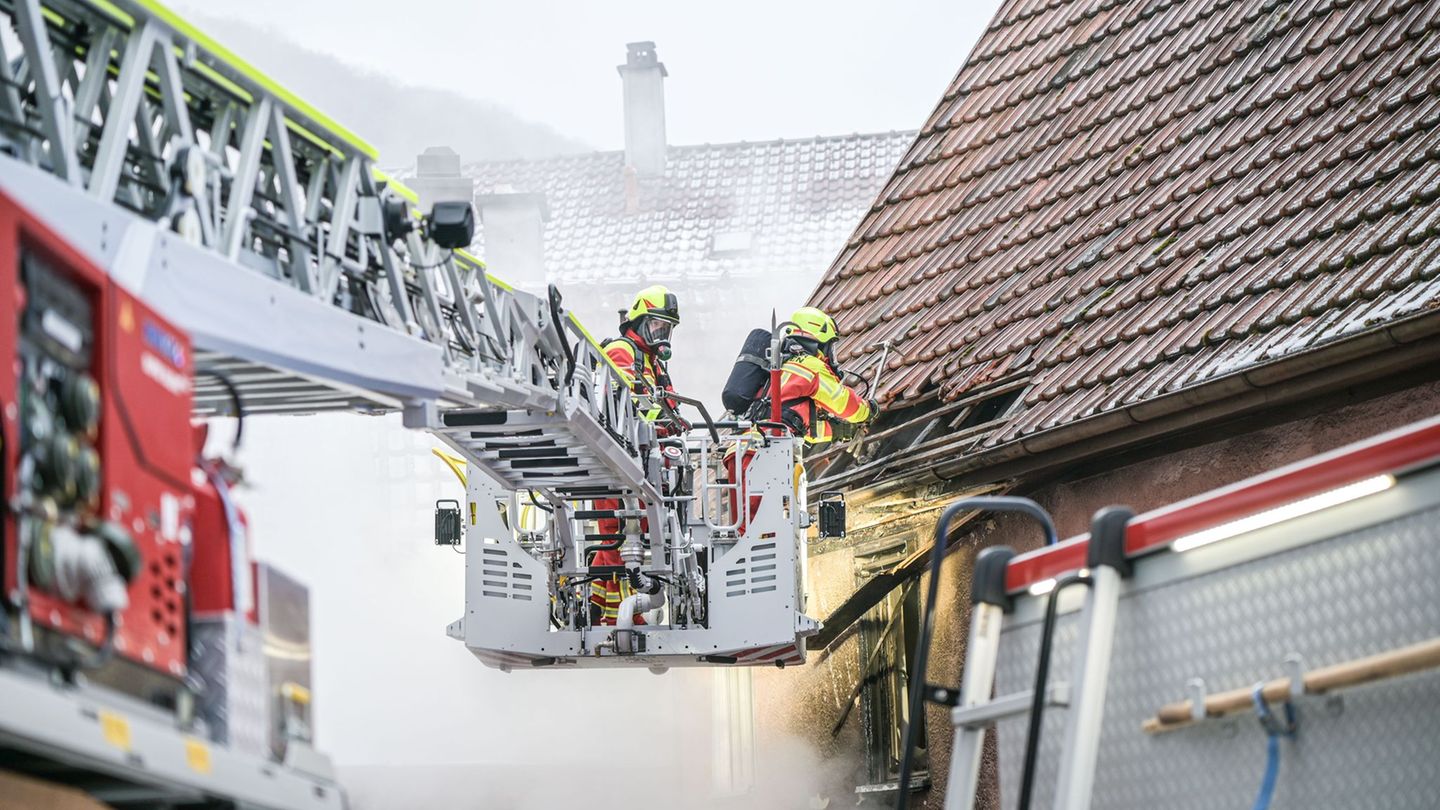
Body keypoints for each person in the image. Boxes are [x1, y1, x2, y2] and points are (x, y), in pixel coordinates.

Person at [726, 306, 876, 524]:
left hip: (744, 453)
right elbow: (845, 404)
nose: (830, 354)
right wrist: (869, 410)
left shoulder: (781, 369)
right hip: (764, 456)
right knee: (765, 535)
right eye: (829, 346)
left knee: (751, 532)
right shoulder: (809, 366)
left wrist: (841, 432)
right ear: (819, 342)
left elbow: (800, 424)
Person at [590, 285, 681, 625]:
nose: (663, 335)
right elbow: (628, 401)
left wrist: (674, 421)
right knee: (617, 534)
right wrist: (662, 419)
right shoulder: (622, 351)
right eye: (658, 326)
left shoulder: (654, 363)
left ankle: (605, 606)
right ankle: (612, 612)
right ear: (640, 322)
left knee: (634, 534)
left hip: (639, 462)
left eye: (667, 329)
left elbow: (667, 403)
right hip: (613, 460)